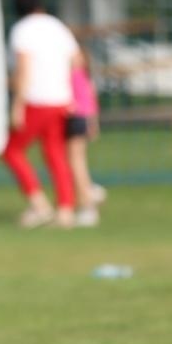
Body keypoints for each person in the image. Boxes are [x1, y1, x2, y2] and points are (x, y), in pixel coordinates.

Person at [1, 0, 78, 228]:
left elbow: (24, 69)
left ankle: (40, 205)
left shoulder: (22, 30)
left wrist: (17, 105)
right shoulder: (57, 26)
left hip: (36, 99)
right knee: (55, 154)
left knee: (10, 150)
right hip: (62, 99)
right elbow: (77, 61)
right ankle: (65, 210)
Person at [66, 54, 102, 227]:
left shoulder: (73, 76)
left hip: (76, 119)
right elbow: (91, 101)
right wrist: (93, 122)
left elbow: (81, 101)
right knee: (77, 161)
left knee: (75, 162)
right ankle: (89, 192)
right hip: (82, 119)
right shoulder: (83, 76)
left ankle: (87, 202)